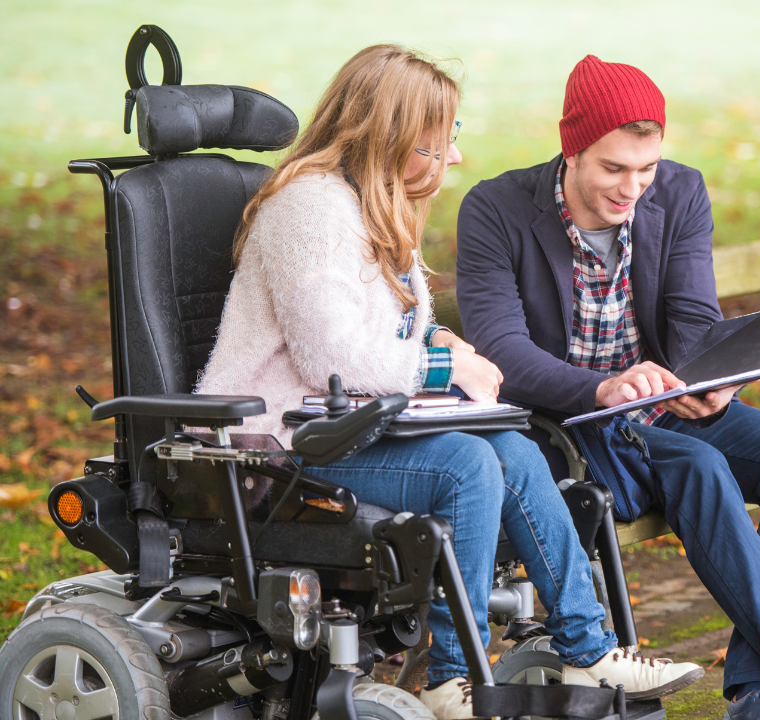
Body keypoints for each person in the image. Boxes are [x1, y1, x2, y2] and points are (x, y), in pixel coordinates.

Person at [196, 46, 703, 719]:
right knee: (466, 464)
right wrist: (443, 366)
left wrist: (440, 342)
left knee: (516, 450)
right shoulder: (310, 207)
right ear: (389, 137)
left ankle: (590, 649)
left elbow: (387, 335)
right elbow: (332, 359)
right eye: (437, 144)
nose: (453, 160)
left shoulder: (376, 206)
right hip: (280, 439)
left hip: (349, 426)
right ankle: (448, 678)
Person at [455, 55, 760, 720]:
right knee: (701, 465)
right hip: (566, 425)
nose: (632, 188)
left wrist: (713, 382)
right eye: (613, 169)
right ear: (572, 149)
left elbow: (690, 319)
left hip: (660, 407)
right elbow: (501, 351)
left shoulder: (678, 193)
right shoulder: (497, 209)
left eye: (645, 170)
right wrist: (602, 389)